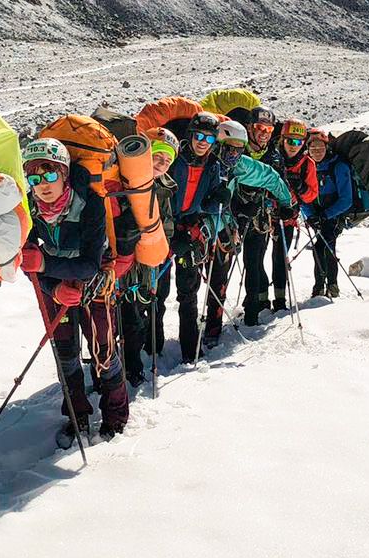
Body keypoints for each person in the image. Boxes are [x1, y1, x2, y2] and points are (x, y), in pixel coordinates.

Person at [20, 138, 132, 443]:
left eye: (50, 174)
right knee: (66, 354)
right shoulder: (30, 208)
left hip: (94, 285)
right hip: (54, 287)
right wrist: (52, 287)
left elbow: (89, 264)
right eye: (34, 177)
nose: (42, 184)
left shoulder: (90, 205)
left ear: (65, 173)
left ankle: (116, 417)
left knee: (103, 352)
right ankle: (77, 416)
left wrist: (44, 265)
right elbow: (27, 261)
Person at [159, 112, 236, 362]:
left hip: (190, 233)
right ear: (190, 135)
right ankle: (153, 345)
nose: (203, 142)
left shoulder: (212, 166)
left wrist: (218, 200)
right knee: (157, 292)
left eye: (209, 139)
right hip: (162, 230)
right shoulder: (173, 160)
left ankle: (190, 350)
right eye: (199, 136)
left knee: (188, 293)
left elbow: (206, 203)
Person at [216, 123, 296, 326]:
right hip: (225, 223)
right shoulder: (218, 165)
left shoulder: (241, 165)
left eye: (238, 148)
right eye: (229, 147)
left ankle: (248, 315)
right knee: (229, 269)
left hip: (244, 221)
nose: (233, 153)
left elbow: (271, 177)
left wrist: (286, 202)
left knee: (250, 264)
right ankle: (218, 323)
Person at [119, 129, 178, 388]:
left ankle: (155, 348)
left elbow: (167, 220)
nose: (161, 164)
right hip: (129, 261)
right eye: (157, 157)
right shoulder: (126, 182)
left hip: (157, 256)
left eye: (167, 161)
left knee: (157, 302)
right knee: (130, 314)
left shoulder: (166, 187)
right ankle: (132, 368)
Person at [268, 118, 319, 310]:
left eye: (298, 142)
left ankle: (280, 300)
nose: (293, 146)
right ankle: (258, 298)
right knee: (254, 259)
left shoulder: (308, 165)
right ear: (282, 139)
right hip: (264, 216)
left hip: (287, 219)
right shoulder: (272, 157)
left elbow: (311, 195)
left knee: (280, 257)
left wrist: (300, 187)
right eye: (290, 141)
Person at [304, 128, 355, 298]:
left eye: (320, 148)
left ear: (327, 147)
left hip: (334, 216)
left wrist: (324, 216)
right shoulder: (306, 166)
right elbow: (302, 195)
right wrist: (310, 215)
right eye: (313, 148)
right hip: (317, 215)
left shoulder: (338, 166)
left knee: (323, 246)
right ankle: (329, 286)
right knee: (323, 246)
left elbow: (346, 199)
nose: (317, 151)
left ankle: (325, 286)